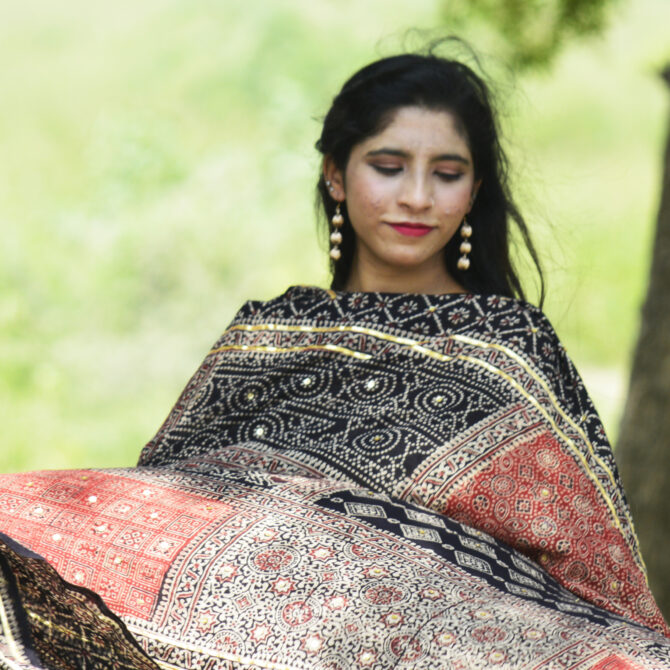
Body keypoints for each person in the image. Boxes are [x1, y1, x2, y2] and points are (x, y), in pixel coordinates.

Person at [1, 47, 670, 670]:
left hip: (421, 636)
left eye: (447, 174)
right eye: (388, 167)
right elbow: (177, 487)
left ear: (473, 190)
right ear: (336, 176)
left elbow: (590, 570)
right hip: (238, 618)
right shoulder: (270, 331)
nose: (416, 196)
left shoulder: (509, 344)